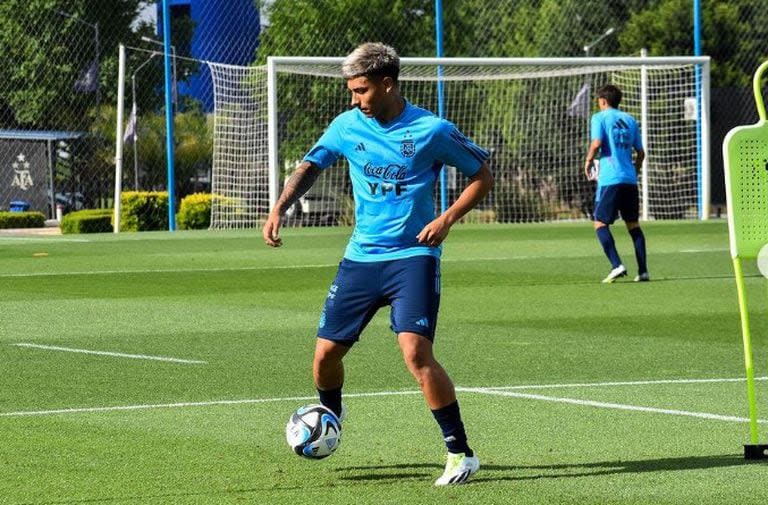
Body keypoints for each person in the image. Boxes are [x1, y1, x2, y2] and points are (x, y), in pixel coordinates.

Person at [262, 42, 494, 485]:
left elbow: (482, 173)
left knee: (415, 351)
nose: (354, 99)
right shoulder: (347, 125)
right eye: (351, 91)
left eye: (361, 90)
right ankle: (330, 411)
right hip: (361, 256)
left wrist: (446, 219)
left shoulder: (431, 130)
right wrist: (280, 207)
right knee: (325, 356)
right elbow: (311, 165)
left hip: (413, 255)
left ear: (387, 84)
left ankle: (460, 453)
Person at [584, 84, 648, 283]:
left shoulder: (599, 117)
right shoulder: (630, 120)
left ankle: (616, 264)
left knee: (600, 223)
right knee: (633, 225)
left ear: (603, 101)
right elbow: (641, 153)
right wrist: (634, 170)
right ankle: (643, 271)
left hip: (610, 179)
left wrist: (587, 162)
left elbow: (597, 143)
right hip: (629, 179)